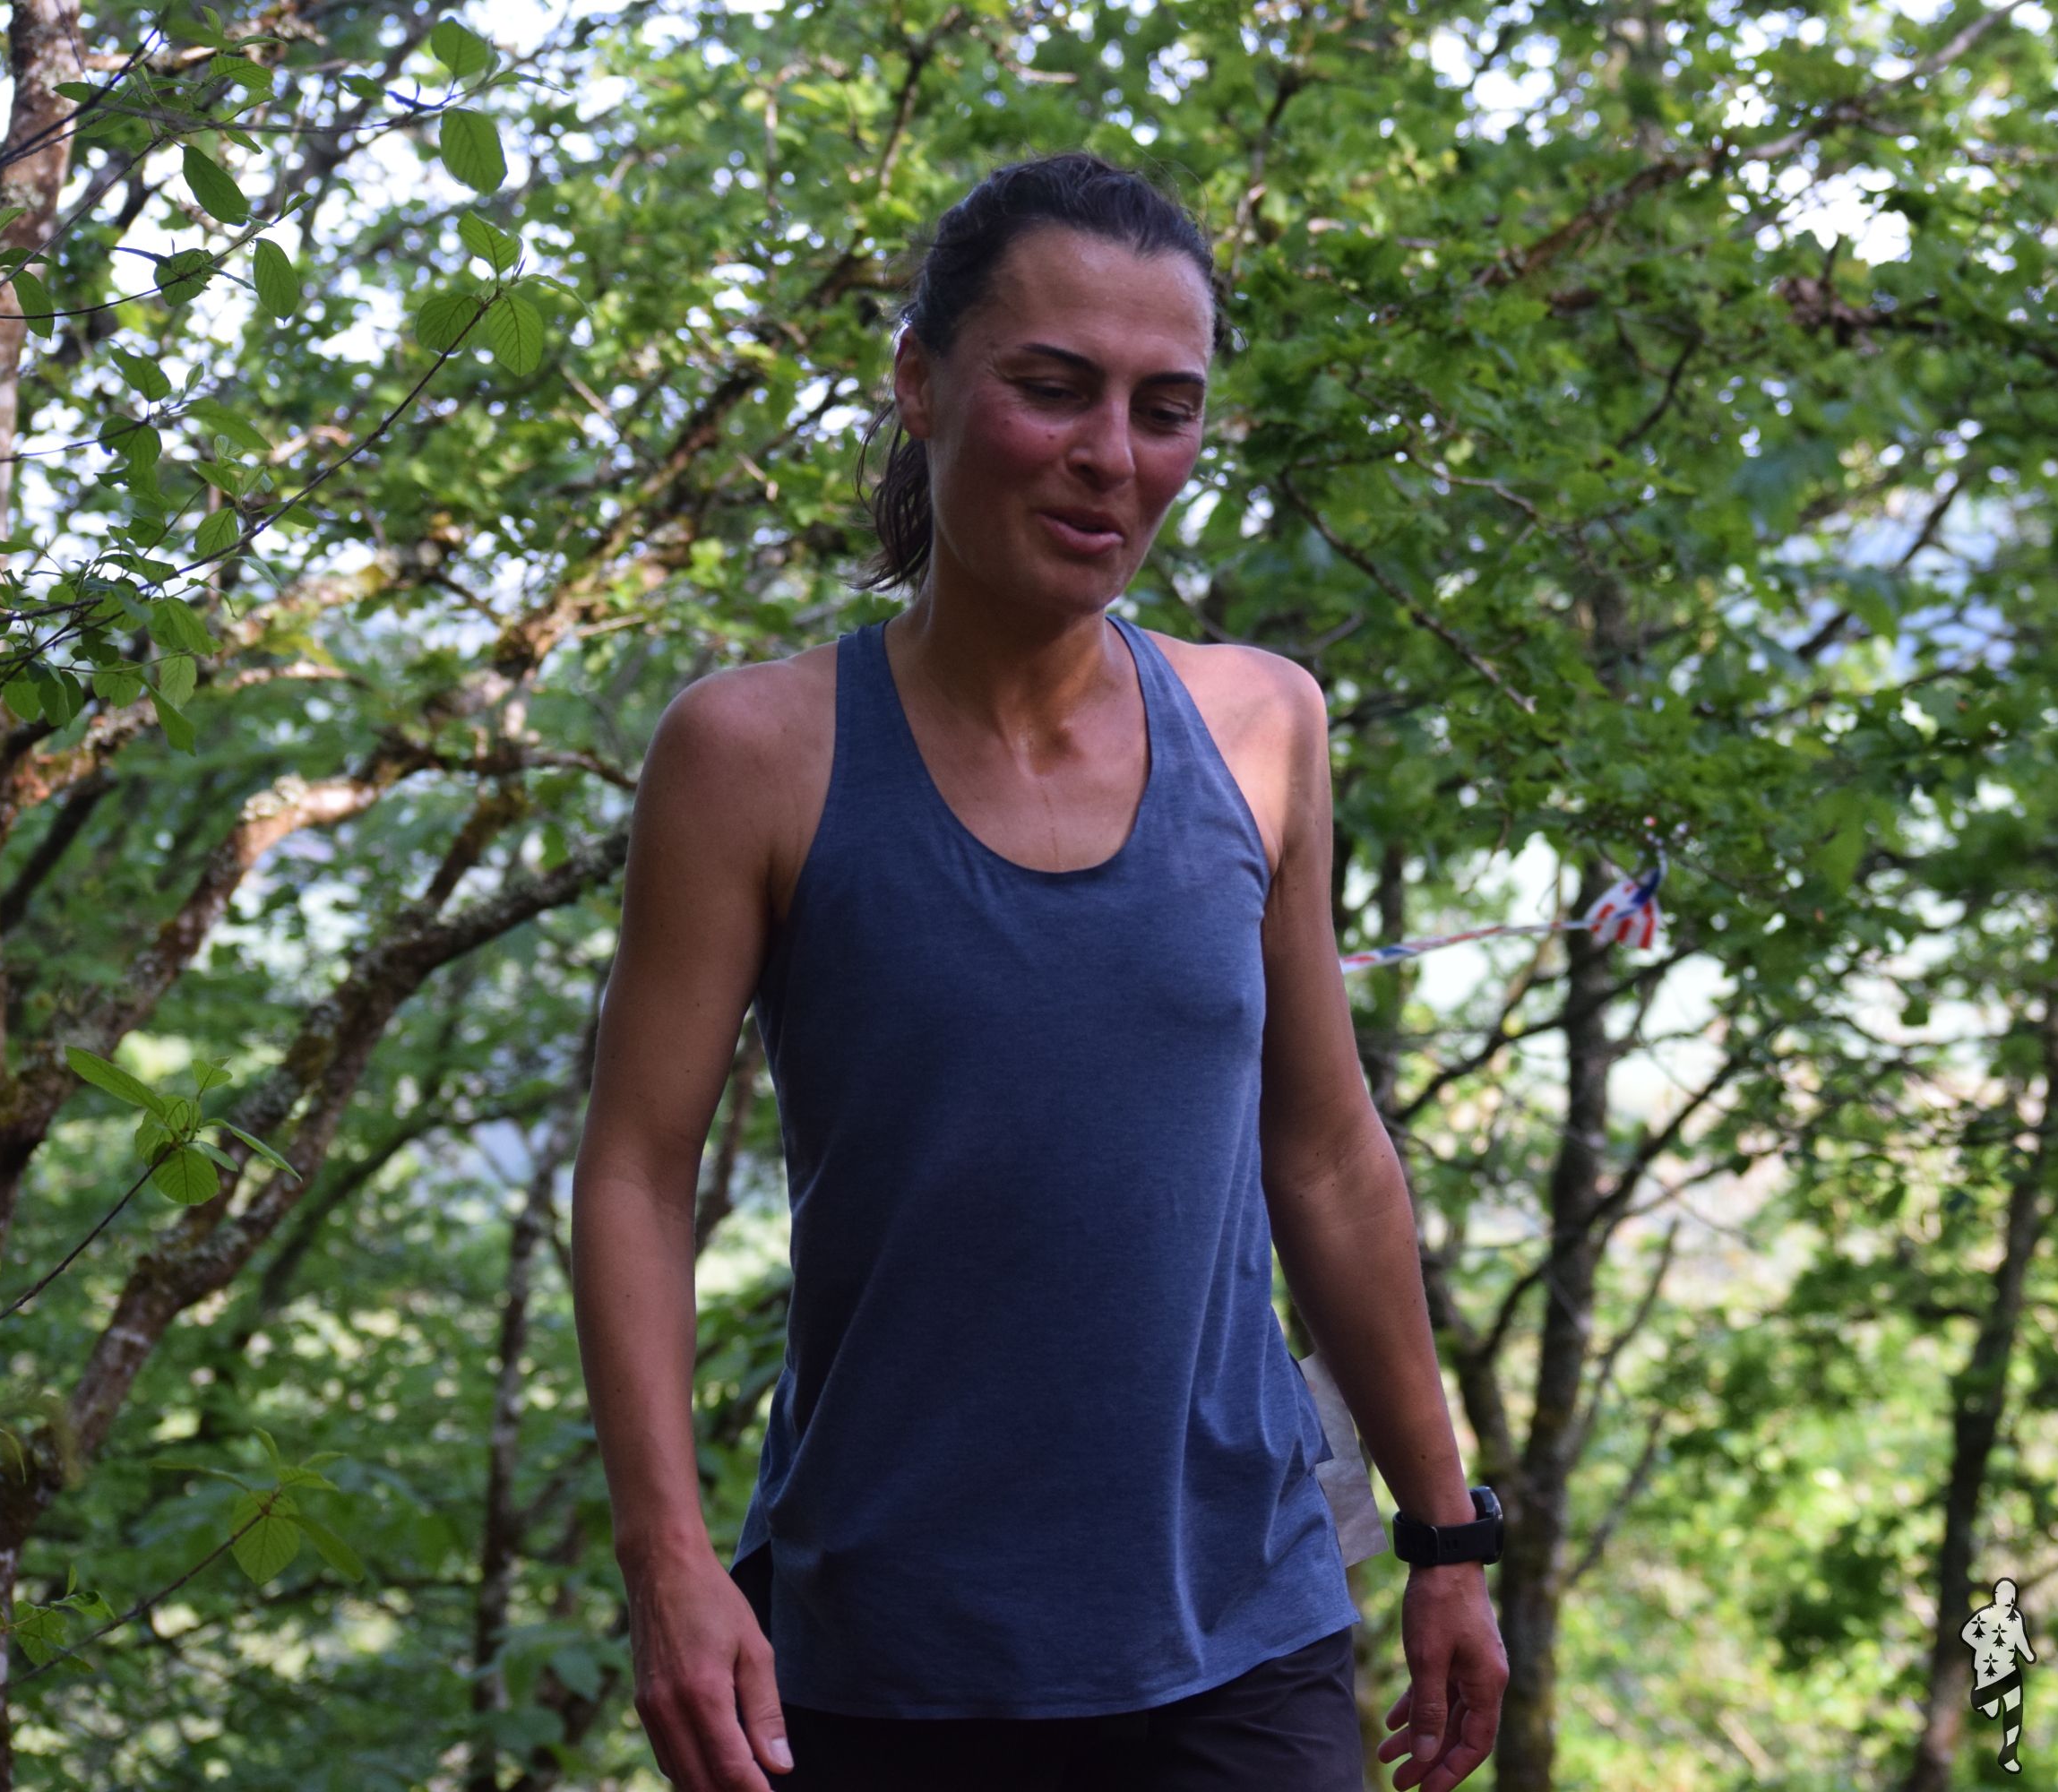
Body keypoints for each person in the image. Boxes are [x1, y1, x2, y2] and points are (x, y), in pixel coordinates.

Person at [571, 151, 1509, 1792]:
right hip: (879, 1661)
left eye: (1166, 409)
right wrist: (670, 1561)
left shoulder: (1262, 726)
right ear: (920, 384)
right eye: (1054, 388)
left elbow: (1326, 1152)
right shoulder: (755, 755)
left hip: (1245, 1642)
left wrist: (1444, 1536)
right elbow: (638, 1173)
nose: (1111, 457)